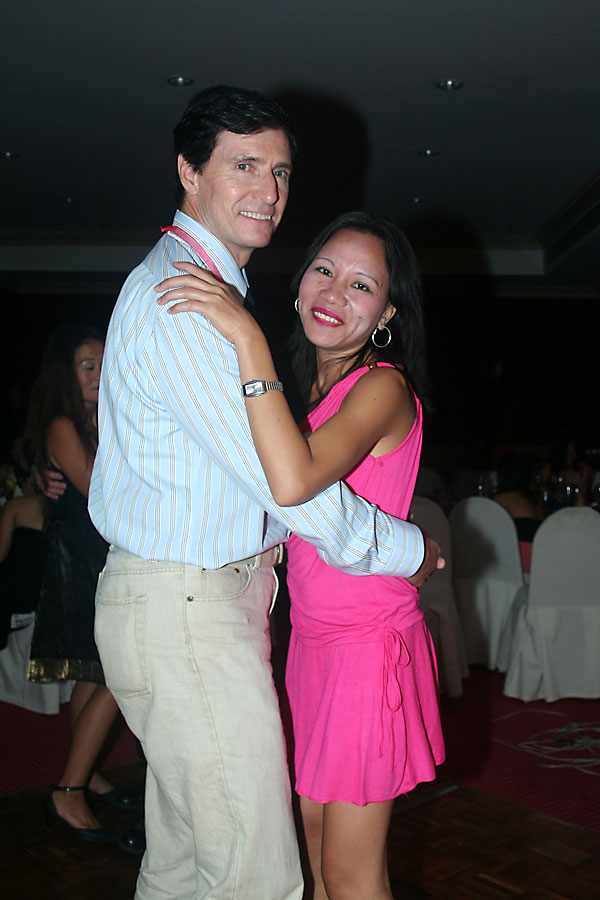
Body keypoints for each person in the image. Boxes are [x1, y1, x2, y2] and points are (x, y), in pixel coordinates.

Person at [89, 85, 442, 900]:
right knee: (255, 875)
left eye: (280, 172)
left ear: (388, 311)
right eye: (244, 165)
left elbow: (267, 482)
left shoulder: (221, 307)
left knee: (198, 866)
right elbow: (292, 492)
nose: (269, 191)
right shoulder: (191, 303)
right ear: (189, 171)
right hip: (195, 615)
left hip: (286, 629)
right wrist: (411, 549)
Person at [157, 210, 445, 899]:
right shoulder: (313, 394)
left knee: (350, 874)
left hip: (367, 648)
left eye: (361, 284)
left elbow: (294, 480)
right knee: (314, 851)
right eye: (324, 269)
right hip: (313, 644)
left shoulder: (380, 386)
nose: (334, 291)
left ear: (387, 313)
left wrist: (245, 334)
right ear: (299, 282)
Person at [23, 325, 136, 842]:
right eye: (87, 365)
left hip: (95, 556)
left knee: (93, 675)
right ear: (66, 374)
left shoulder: (96, 418)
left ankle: (84, 775)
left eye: (104, 363)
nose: (99, 373)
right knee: (117, 672)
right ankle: (68, 789)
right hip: (79, 560)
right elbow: (98, 490)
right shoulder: (64, 423)